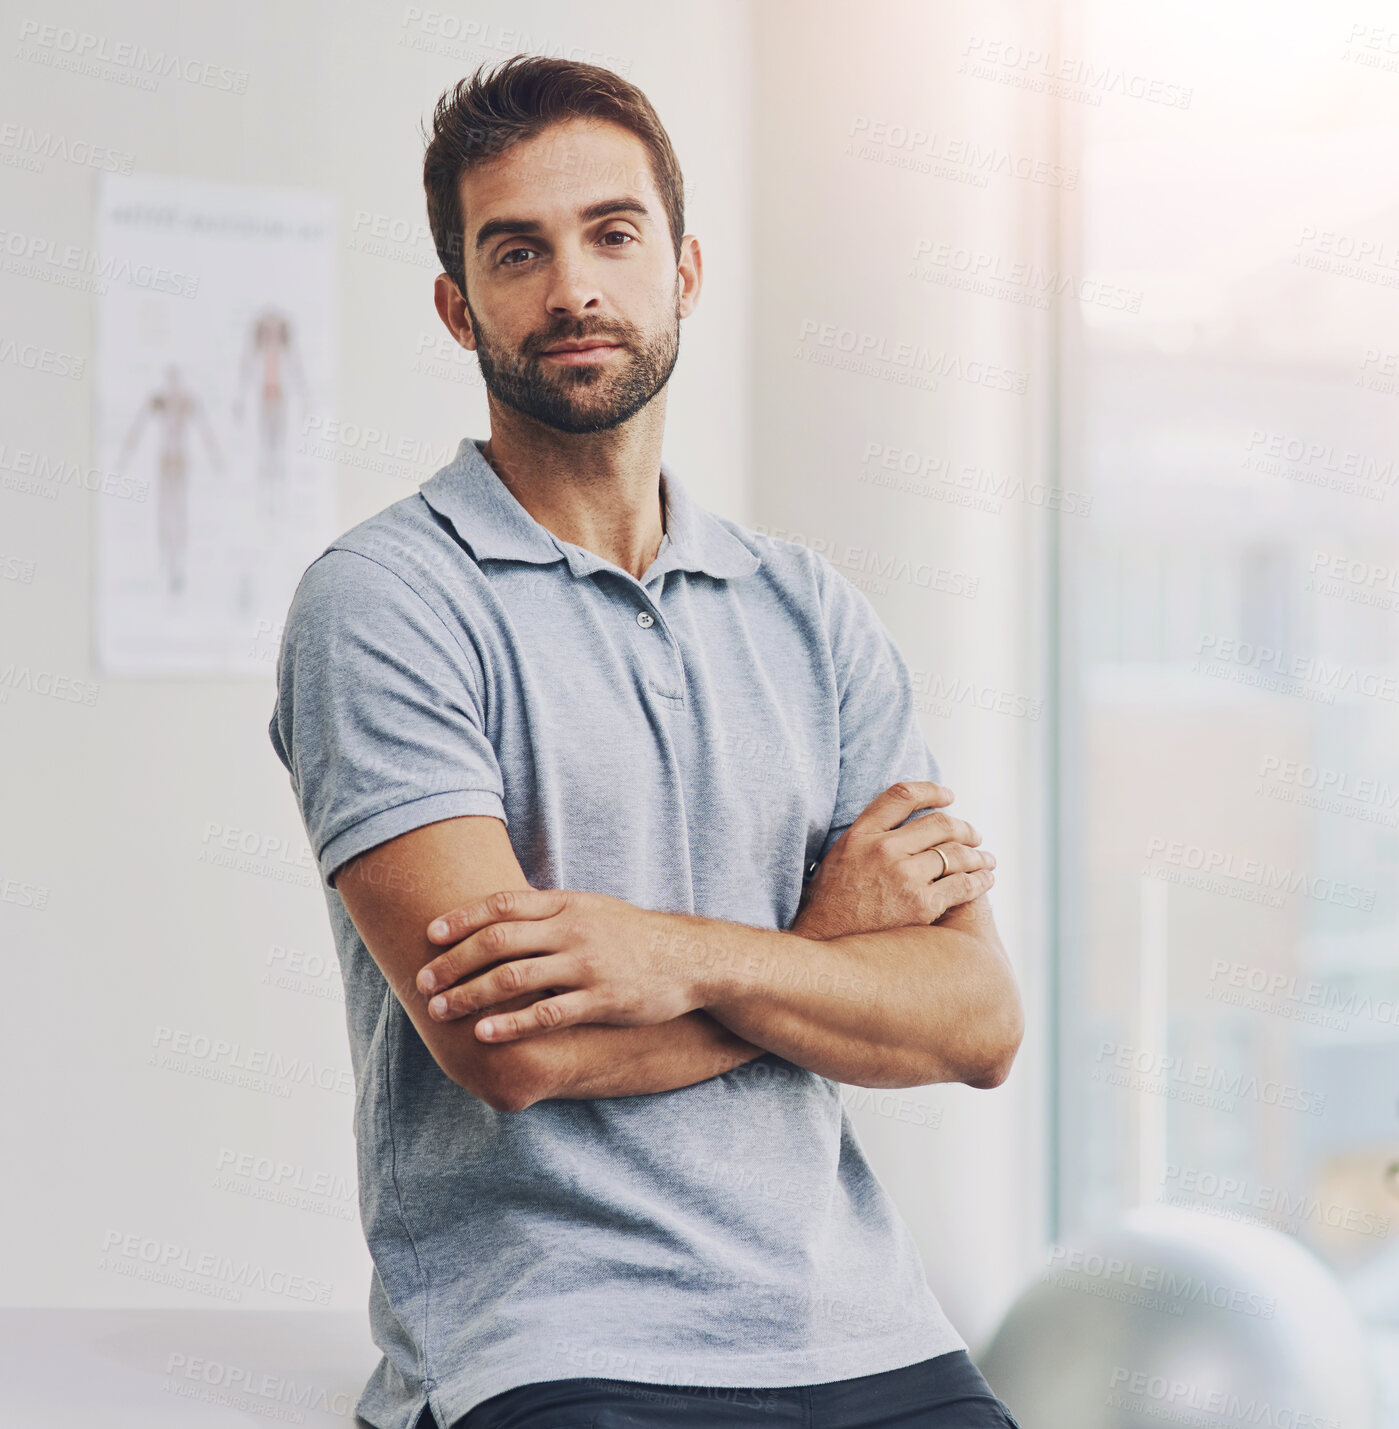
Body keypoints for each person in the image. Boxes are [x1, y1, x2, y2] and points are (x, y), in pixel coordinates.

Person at [268, 54, 1024, 1429]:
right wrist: (830, 945)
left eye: (613, 235)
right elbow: (512, 1049)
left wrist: (669, 953)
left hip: (864, 1330)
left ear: (683, 269)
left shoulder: (810, 612)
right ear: (458, 306)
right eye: (519, 251)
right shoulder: (383, 603)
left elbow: (975, 1019)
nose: (574, 289)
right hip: (554, 1343)